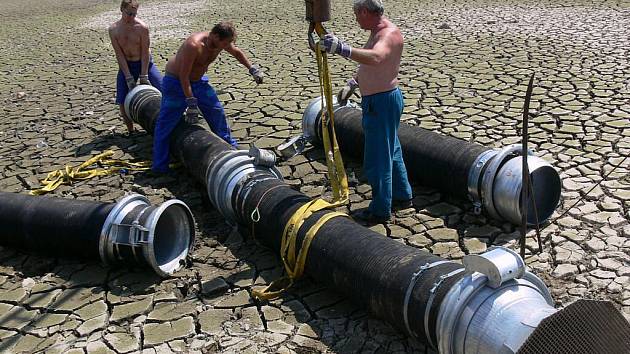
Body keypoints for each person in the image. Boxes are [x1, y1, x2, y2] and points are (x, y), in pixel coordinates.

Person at [320, 0, 412, 223]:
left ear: (364, 11)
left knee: (378, 158)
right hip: (380, 100)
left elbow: (377, 57)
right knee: (392, 150)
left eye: (356, 14)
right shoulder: (377, 30)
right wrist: (354, 82)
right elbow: (372, 63)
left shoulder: (387, 34)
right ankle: (402, 194)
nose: (356, 19)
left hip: (381, 103)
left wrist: (342, 48)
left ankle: (380, 209)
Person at [151, 21, 264, 173]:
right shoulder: (194, 45)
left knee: (216, 111)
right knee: (165, 123)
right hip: (176, 83)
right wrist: (191, 103)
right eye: (226, 43)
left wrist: (252, 69)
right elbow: (184, 76)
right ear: (215, 36)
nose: (227, 47)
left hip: (198, 82)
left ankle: (229, 145)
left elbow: (236, 52)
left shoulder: (220, 43)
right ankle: (159, 166)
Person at [109, 0, 163, 133]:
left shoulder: (142, 28)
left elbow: (145, 52)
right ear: (122, 9)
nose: (132, 17)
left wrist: (144, 75)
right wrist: (128, 77)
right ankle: (131, 130)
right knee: (122, 99)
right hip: (127, 65)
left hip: (144, 63)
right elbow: (119, 55)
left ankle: (173, 120)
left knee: (164, 88)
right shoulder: (114, 30)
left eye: (134, 14)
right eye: (129, 14)